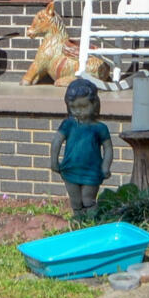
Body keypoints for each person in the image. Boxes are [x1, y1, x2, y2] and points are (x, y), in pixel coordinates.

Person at [50, 77, 114, 220]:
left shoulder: (99, 128)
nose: (78, 111)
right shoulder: (68, 125)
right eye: (73, 107)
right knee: (76, 201)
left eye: (84, 107)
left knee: (88, 200)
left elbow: (108, 148)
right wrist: (54, 161)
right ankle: (79, 224)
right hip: (70, 169)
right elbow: (56, 142)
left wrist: (105, 167)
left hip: (92, 171)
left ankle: (92, 223)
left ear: (95, 104)